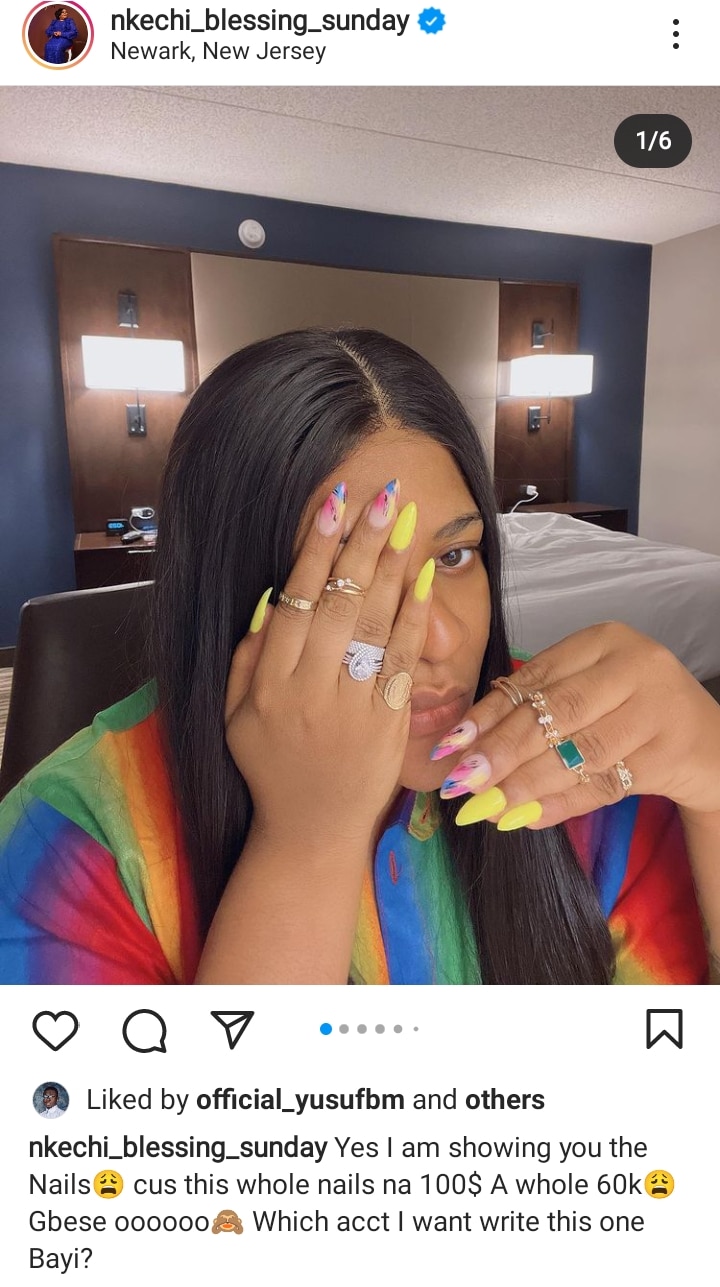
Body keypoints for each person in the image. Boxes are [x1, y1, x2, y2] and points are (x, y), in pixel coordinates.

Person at [0, 328, 718, 985]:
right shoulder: (71, 841)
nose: (441, 640)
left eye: (457, 554)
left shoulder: (581, 756)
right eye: (355, 576)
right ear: (232, 593)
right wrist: (308, 837)